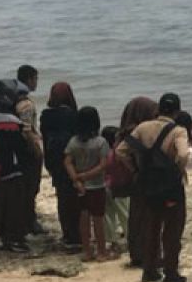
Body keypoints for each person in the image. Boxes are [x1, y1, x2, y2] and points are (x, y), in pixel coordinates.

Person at [117, 93, 191, 282]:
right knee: (172, 229)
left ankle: (149, 270)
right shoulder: (178, 131)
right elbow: (183, 154)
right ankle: (171, 272)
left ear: (158, 109)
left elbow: (121, 151)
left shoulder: (142, 127)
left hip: (147, 184)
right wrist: (178, 170)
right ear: (176, 111)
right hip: (171, 187)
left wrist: (135, 170)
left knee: (151, 227)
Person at [0, 79, 34, 253]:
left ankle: (1, 234)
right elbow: (22, 149)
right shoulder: (12, 122)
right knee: (15, 205)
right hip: (12, 168)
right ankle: (14, 239)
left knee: (0, 203)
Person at [64, 106, 113, 262]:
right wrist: (86, 176)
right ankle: (101, 251)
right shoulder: (100, 142)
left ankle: (87, 251)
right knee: (98, 219)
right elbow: (103, 165)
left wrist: (76, 179)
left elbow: (67, 162)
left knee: (83, 218)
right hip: (96, 185)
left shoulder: (73, 141)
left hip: (80, 187)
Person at [117, 97, 159, 267]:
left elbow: (121, 153)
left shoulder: (125, 131)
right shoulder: (140, 131)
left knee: (136, 217)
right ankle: (149, 255)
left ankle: (137, 253)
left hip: (135, 178)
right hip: (145, 177)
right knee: (149, 217)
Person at [39, 82, 81, 251]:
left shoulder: (45, 116)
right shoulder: (73, 115)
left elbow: (44, 138)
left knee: (63, 198)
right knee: (76, 197)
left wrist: (47, 162)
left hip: (55, 160)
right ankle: (77, 234)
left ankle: (68, 234)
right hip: (72, 160)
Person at [14, 64, 44, 234]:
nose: (37, 82)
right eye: (35, 79)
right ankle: (30, 221)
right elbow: (26, 129)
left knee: (25, 187)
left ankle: (25, 220)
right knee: (31, 186)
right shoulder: (26, 103)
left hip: (18, 151)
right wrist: (36, 150)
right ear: (29, 79)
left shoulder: (15, 98)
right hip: (27, 150)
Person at [100, 125, 129, 253]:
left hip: (104, 186)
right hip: (119, 186)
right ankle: (130, 238)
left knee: (108, 215)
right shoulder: (118, 154)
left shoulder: (103, 154)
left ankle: (111, 240)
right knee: (125, 214)